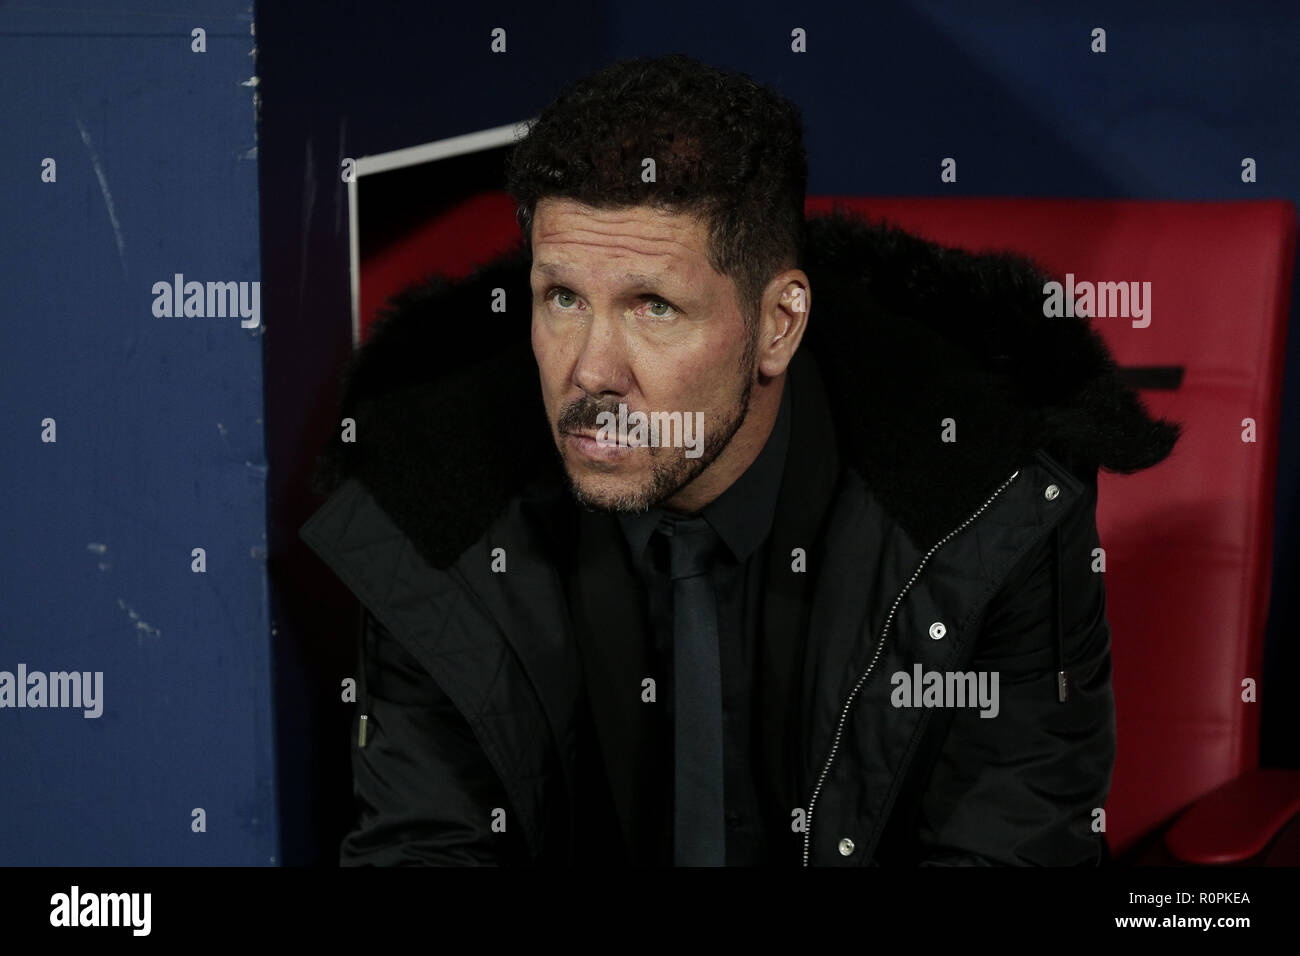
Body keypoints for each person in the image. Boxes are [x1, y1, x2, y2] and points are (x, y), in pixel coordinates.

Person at [299, 53, 1180, 866]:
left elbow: (1011, 848)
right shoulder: (433, 506)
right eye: (562, 297)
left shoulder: (987, 500)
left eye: (654, 308)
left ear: (777, 325)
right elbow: (427, 850)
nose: (590, 372)